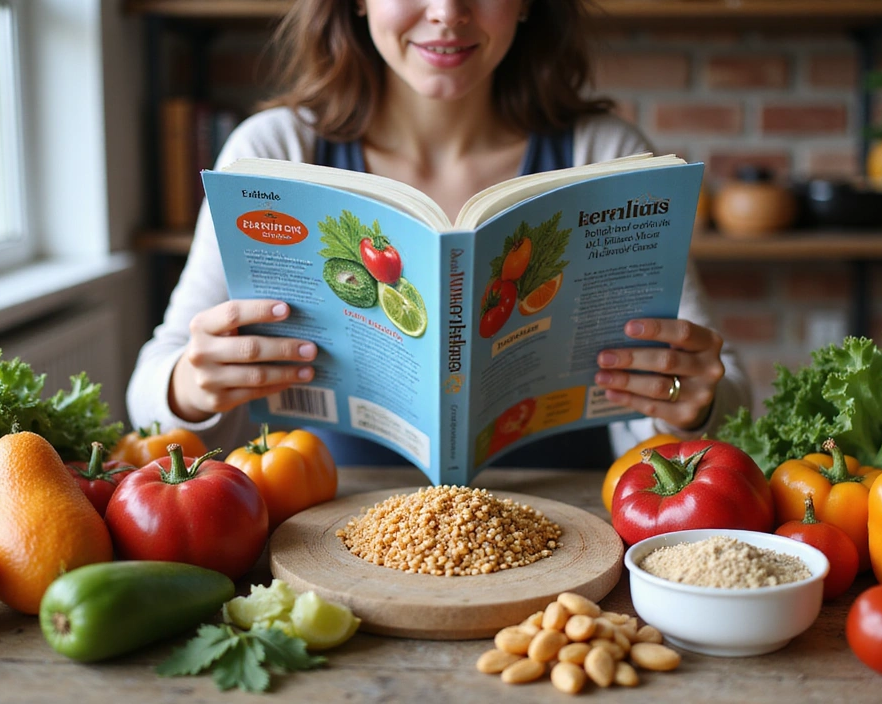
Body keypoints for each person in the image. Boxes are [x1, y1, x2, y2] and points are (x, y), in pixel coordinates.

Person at [126, 0, 751, 468]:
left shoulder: (605, 151)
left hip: (573, 523)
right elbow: (149, 391)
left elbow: (727, 384)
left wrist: (692, 400)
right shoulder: (274, 150)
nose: (448, 13)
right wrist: (191, 383)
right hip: (327, 530)